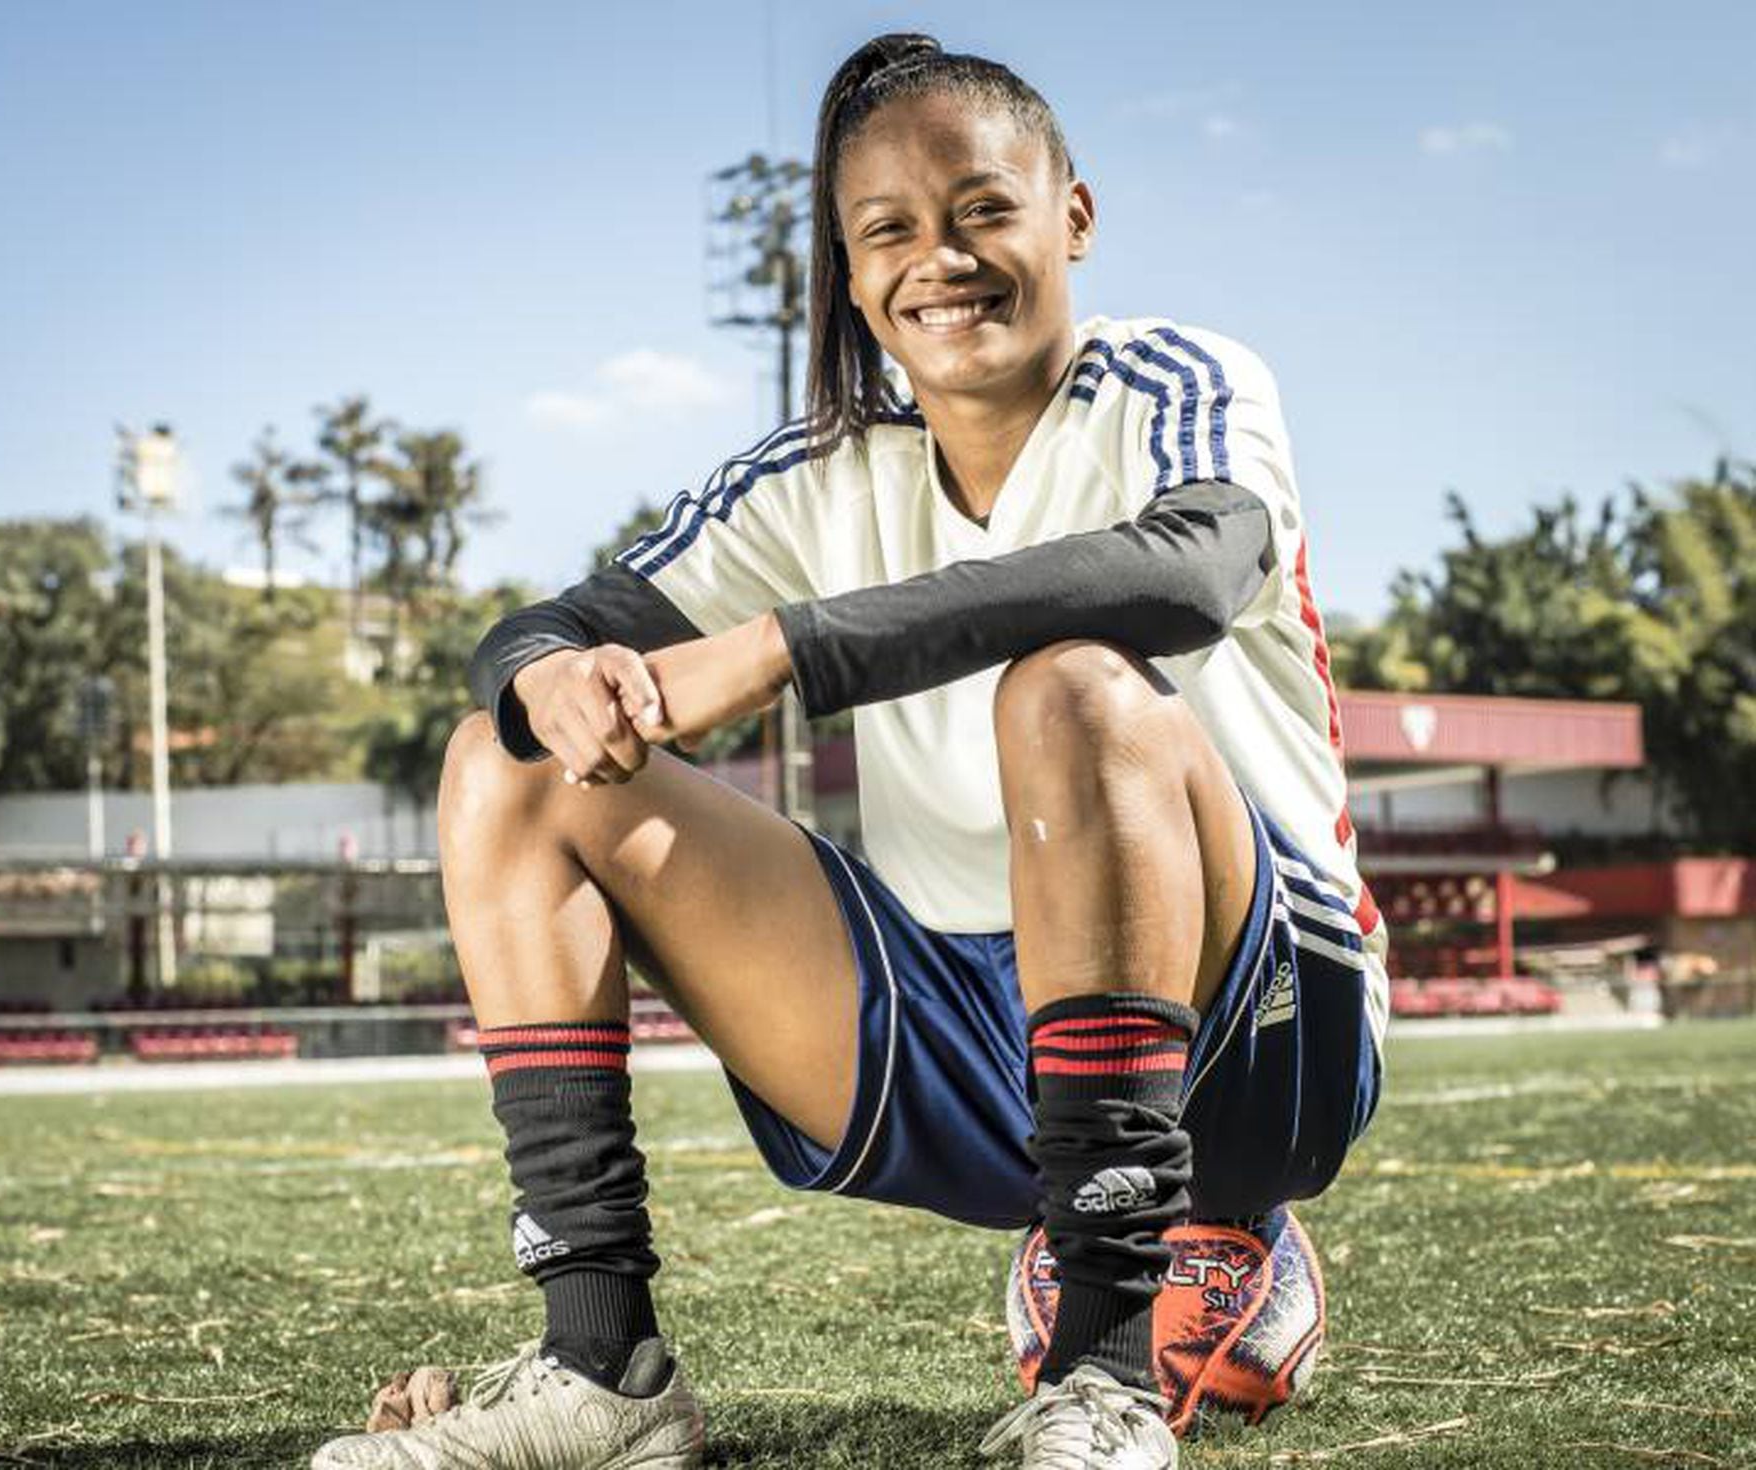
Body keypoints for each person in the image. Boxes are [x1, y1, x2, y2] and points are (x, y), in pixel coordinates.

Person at [312, 31, 1386, 1470]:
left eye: (984, 211)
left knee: (1065, 689)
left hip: (1260, 1029)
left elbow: (1190, 572)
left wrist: (780, 649)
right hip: (965, 1027)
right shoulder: (819, 471)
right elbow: (539, 629)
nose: (940, 259)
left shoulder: (1180, 381)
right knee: (508, 755)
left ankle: (1110, 1372)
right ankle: (604, 1367)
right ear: (848, 261)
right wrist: (558, 677)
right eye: (890, 229)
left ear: (1073, 213)